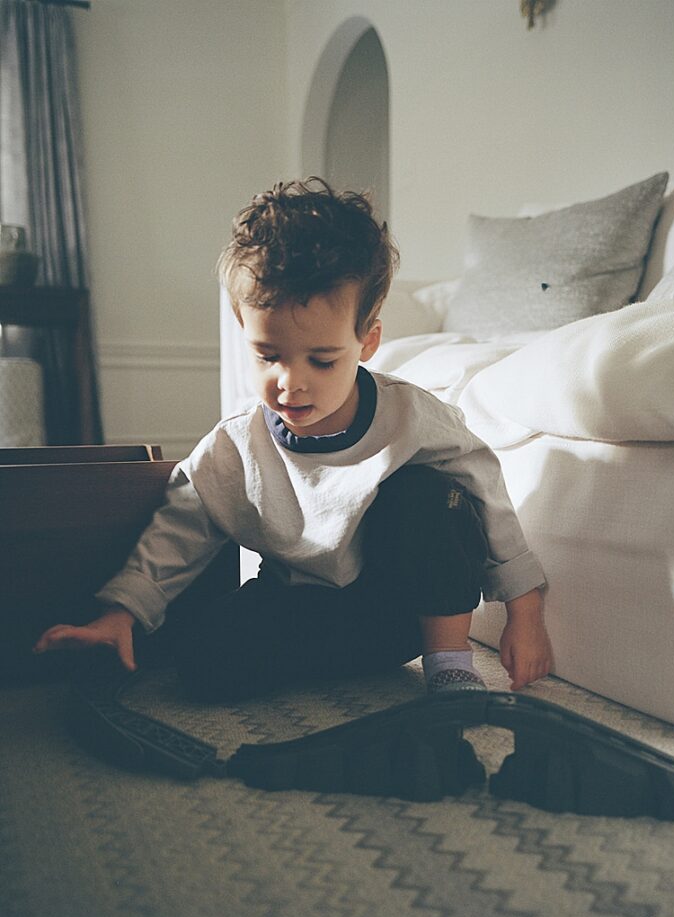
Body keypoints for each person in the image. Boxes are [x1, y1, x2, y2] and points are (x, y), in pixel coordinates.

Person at [34, 179, 552, 706]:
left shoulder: (412, 416)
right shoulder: (234, 446)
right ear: (244, 331)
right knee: (199, 666)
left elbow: (484, 494)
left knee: (428, 493)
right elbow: (179, 531)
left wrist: (524, 611)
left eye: (321, 361)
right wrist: (121, 611)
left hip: (401, 611)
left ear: (366, 342)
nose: (290, 382)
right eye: (267, 355)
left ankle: (449, 667)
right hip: (300, 604)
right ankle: (316, 663)